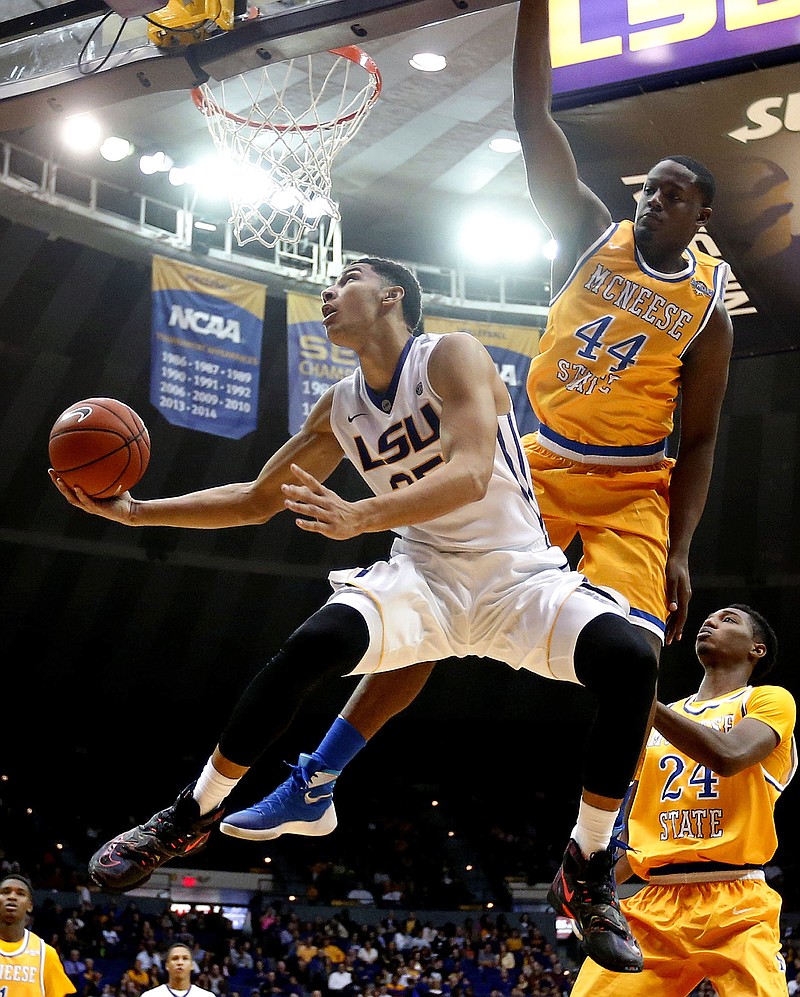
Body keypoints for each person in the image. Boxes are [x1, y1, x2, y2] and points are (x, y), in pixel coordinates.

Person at [219, 0, 733, 879]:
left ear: (701, 216)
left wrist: (681, 547)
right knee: (433, 608)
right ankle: (318, 778)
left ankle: (600, 853)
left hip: (630, 489)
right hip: (538, 460)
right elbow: (534, 116)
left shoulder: (710, 310)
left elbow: (706, 434)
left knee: (632, 657)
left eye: (672, 195)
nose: (651, 202)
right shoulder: (587, 234)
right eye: (647, 188)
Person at [52, 257, 656, 973]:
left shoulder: (450, 354)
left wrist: (358, 513)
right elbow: (255, 496)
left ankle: (586, 864)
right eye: (328, 284)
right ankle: (190, 813)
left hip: (517, 576)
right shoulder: (340, 404)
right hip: (424, 575)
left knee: (634, 659)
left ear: (392, 295)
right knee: (316, 643)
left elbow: (467, 473)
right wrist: (137, 512)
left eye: (346, 279)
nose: (328, 292)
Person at [572, 604, 796, 996]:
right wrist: (588, 885)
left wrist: (641, 697)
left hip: (736, 898)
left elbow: (729, 756)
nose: (710, 621)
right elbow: (639, 822)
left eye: (729, 620)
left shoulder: (768, 700)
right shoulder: (664, 717)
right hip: (653, 902)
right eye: (710, 617)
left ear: (756, 649)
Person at [0, 873, 76, 997]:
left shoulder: (46, 954)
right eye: (5, 892)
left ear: (29, 906)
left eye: (20, 893)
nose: (12, 897)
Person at [140, 944, 214, 997]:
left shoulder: (207, 995)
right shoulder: (150, 995)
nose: (180, 962)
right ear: (167, 965)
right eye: (175, 958)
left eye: (185, 958)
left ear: (192, 965)